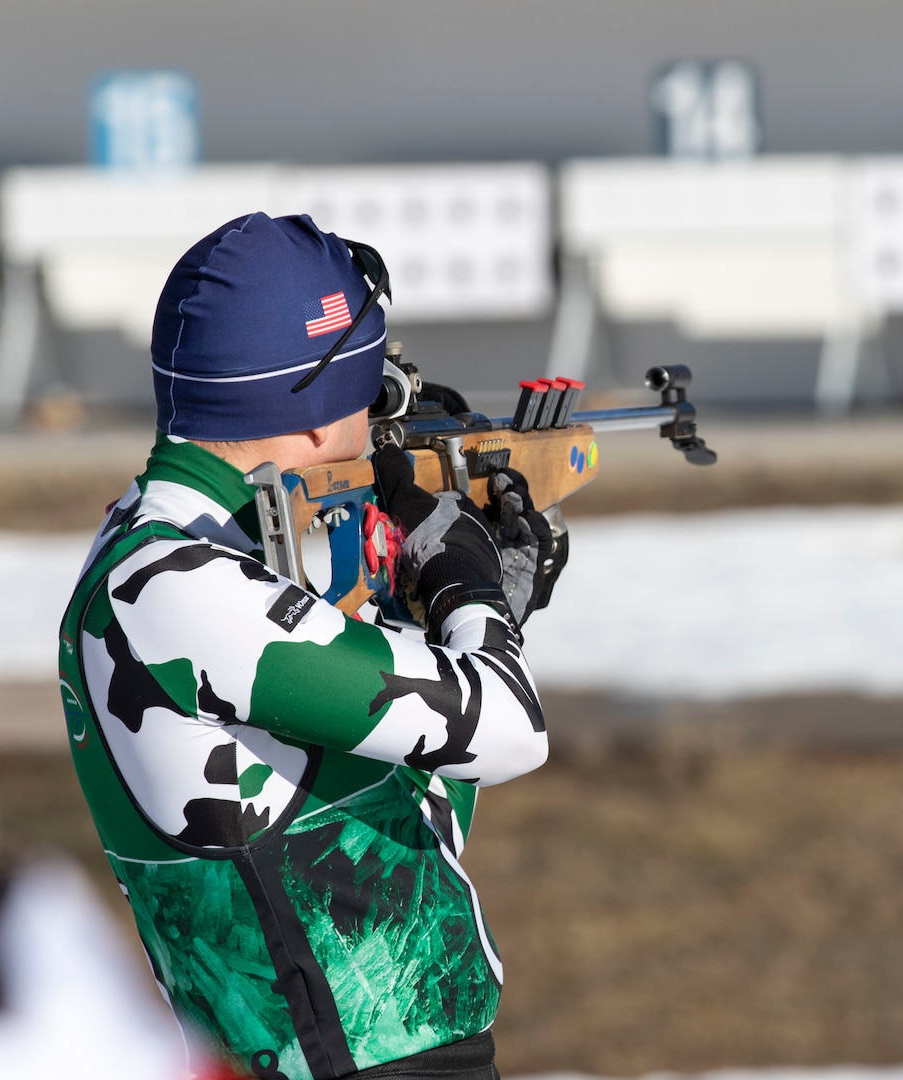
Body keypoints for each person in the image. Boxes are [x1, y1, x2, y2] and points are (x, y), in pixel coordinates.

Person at [57, 213, 558, 1080]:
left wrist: (475, 614)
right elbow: (512, 731)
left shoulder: (182, 556)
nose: (376, 427)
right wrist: (468, 588)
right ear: (319, 421)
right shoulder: (178, 589)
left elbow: (412, 823)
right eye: (368, 396)